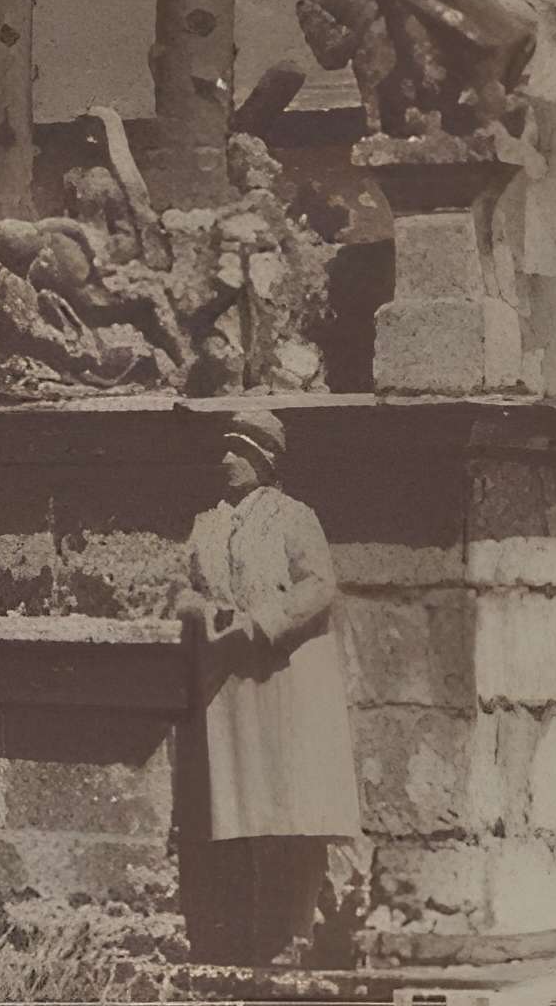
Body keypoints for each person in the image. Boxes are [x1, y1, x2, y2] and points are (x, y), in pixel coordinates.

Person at [173, 409, 361, 964]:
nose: (225, 460)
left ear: (264, 460)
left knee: (290, 807)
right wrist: (203, 614)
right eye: (225, 449)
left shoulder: (293, 517)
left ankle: (291, 932)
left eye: (238, 450)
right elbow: (183, 586)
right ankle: (237, 935)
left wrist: (261, 620)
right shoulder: (206, 522)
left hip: (285, 676)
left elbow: (320, 585)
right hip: (228, 682)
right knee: (235, 808)